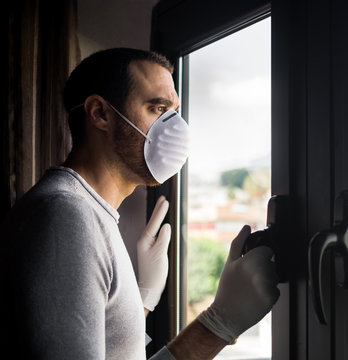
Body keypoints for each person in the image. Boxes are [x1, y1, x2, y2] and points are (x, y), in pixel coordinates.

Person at [1, 48, 280, 359]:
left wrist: (142, 301)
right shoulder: (65, 216)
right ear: (100, 114)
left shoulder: (90, 212)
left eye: (174, 112)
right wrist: (218, 323)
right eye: (158, 108)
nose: (175, 128)